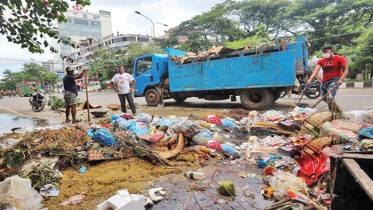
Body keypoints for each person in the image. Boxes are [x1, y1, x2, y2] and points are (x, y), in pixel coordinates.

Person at [307, 45, 348, 111]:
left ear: (331, 51)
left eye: (326, 52)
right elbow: (316, 70)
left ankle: (332, 112)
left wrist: (341, 80)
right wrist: (310, 79)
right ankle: (335, 109)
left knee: (330, 97)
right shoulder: (321, 61)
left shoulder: (340, 59)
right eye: (323, 52)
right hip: (325, 81)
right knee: (324, 98)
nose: (324, 54)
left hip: (335, 80)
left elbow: (345, 70)